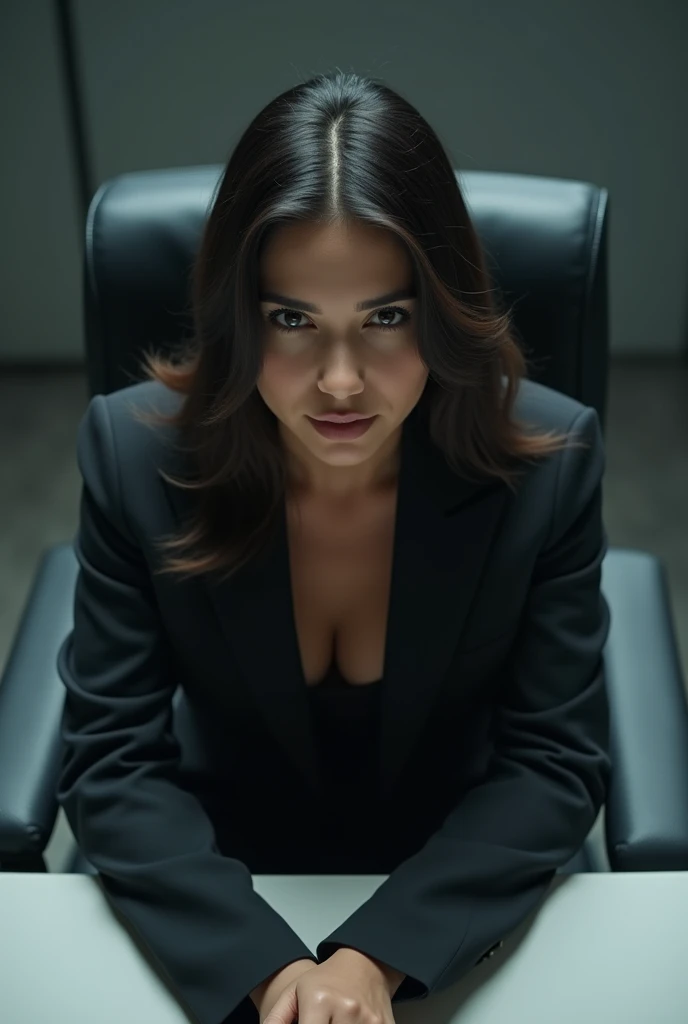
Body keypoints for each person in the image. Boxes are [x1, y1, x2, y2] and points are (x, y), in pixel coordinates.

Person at [56, 71, 610, 1024]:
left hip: (453, 879)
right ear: (239, 316)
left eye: (386, 319)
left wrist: (374, 958)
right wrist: (270, 972)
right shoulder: (133, 452)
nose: (341, 381)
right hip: (225, 866)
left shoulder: (549, 464)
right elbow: (113, 762)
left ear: (442, 311)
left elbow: (552, 764)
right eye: (292, 320)